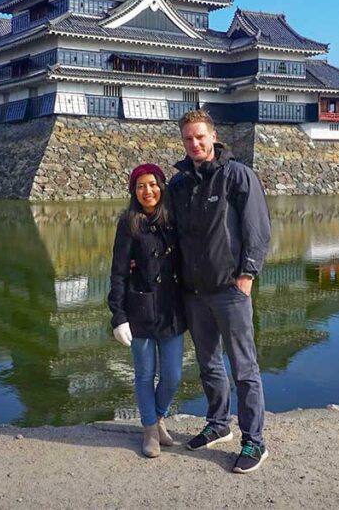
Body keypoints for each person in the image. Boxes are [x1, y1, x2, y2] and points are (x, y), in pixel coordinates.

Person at [168, 109, 272, 474]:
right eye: (187, 139)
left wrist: (247, 274)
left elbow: (257, 229)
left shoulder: (236, 175)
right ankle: (217, 423)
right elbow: (169, 234)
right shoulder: (179, 184)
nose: (194, 144)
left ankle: (254, 441)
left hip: (230, 288)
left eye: (200, 137)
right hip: (195, 291)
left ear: (213, 136)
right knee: (208, 363)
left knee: (244, 367)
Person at [107, 163, 187, 458]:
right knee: (144, 374)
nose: (147, 191)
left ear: (162, 187)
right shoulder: (128, 223)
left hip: (172, 308)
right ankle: (150, 429)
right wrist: (118, 315)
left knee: (173, 374)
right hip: (139, 306)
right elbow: (117, 272)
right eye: (141, 186)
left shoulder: (175, 220)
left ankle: (159, 414)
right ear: (133, 191)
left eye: (153, 184)